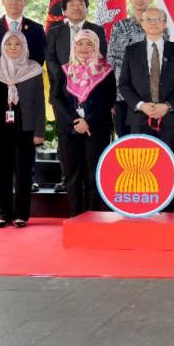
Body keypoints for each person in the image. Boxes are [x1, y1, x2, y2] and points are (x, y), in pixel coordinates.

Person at [0, 0, 46, 193]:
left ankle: (29, 178)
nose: (14, 3)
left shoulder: (35, 28)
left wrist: (23, 78)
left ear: (25, 2)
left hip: (25, 88)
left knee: (26, 134)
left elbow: (39, 57)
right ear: (3, 1)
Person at [0, 30, 46, 228]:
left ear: (24, 47)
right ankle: (4, 214)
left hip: (25, 129)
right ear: (2, 47)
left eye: (17, 45)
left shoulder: (33, 70)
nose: (13, 48)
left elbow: (39, 103)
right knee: (1, 173)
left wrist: (40, 131)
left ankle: (21, 215)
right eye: (9, 44)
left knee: (23, 172)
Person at [44, 0, 107, 193]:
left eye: (81, 4)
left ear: (87, 9)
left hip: (91, 95)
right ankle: (67, 178)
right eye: (72, 4)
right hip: (63, 95)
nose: (77, 7)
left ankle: (93, 184)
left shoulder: (97, 31)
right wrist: (68, 77)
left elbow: (101, 58)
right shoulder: (55, 32)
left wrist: (85, 79)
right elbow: (51, 60)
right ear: (64, 10)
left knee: (91, 139)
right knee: (66, 137)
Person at [49, 29, 116, 216]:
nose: (84, 47)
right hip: (69, 129)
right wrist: (75, 121)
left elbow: (108, 100)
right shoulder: (64, 70)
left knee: (93, 174)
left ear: (96, 45)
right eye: (79, 43)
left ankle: (93, 215)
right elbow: (56, 98)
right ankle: (76, 215)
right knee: (72, 173)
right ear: (73, 46)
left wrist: (88, 122)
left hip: (96, 129)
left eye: (89, 43)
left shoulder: (107, 71)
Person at [118, 7, 174, 155]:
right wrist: (141, 105)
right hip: (139, 119)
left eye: (158, 19)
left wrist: (168, 106)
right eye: (148, 19)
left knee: (168, 165)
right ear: (142, 23)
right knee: (141, 166)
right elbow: (124, 84)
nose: (153, 23)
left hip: (170, 119)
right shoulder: (131, 51)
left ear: (165, 24)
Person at [107, 0, 153, 138]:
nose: (140, 0)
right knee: (125, 142)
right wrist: (111, 97)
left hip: (151, 99)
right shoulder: (119, 27)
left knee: (149, 142)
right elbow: (112, 61)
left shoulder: (160, 27)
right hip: (123, 96)